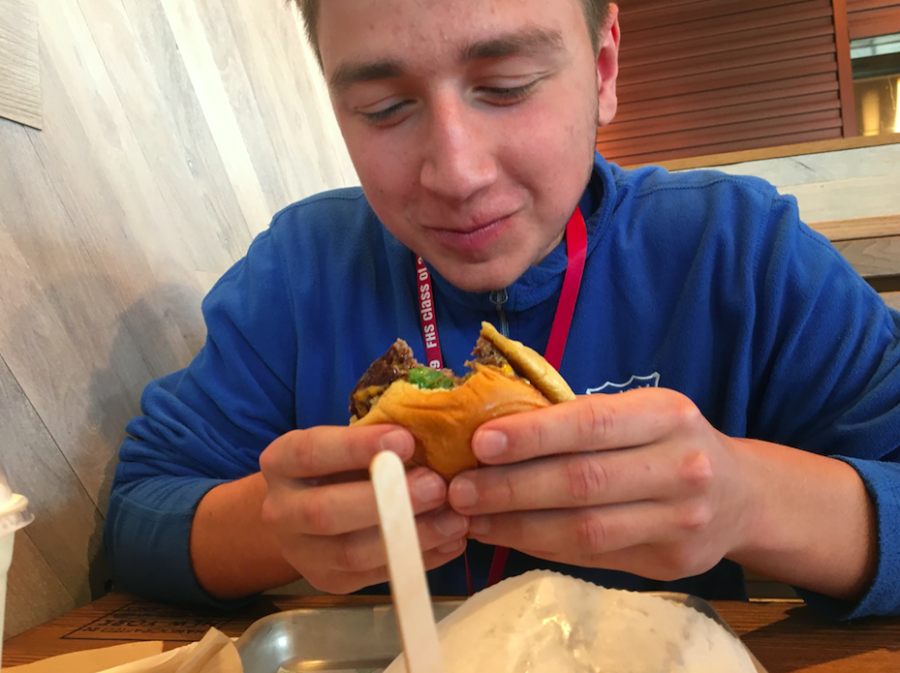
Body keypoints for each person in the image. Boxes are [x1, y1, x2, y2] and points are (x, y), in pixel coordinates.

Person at [103, 0, 900, 621]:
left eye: (507, 86)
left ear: (604, 66)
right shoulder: (299, 268)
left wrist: (748, 499)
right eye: (383, 107)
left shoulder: (739, 251)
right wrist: (276, 529)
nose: (456, 172)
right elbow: (139, 511)